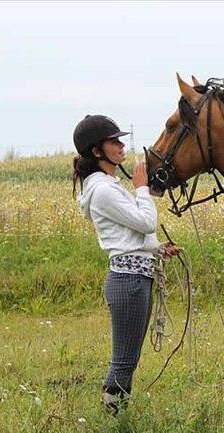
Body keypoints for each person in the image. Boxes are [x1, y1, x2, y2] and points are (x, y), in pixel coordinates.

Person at [71, 114, 179, 415]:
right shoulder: (104, 191)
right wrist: (143, 189)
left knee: (128, 359)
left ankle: (115, 419)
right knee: (124, 361)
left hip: (135, 276)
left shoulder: (108, 185)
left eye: (120, 140)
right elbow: (145, 223)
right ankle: (112, 423)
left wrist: (158, 248)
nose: (121, 146)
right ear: (97, 152)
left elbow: (129, 235)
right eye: (113, 142)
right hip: (128, 281)